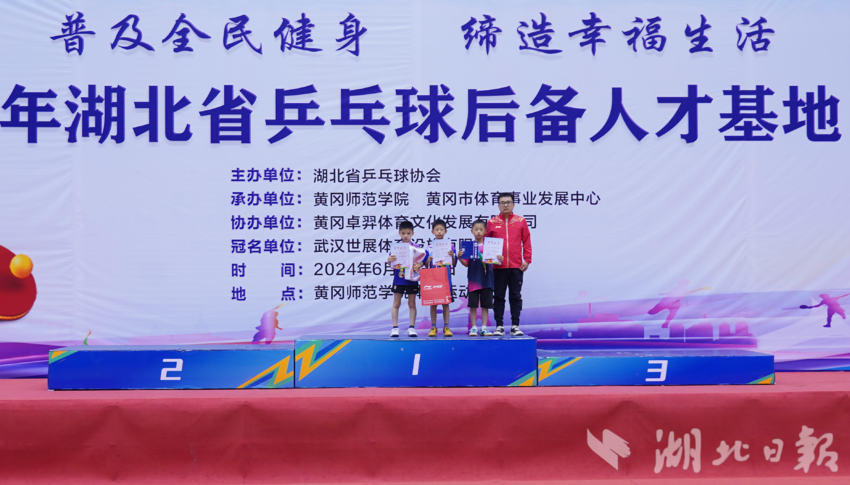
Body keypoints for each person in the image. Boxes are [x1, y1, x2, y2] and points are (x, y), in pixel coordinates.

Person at [486, 193, 532, 337]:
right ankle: (499, 326)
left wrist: (527, 260)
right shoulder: (492, 222)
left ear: (513, 204)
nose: (505, 205)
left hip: (516, 266)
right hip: (498, 267)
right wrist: (492, 259)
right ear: (498, 205)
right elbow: (488, 244)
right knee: (499, 296)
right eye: (502, 202)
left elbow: (526, 241)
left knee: (515, 296)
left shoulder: (521, 221)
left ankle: (515, 326)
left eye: (508, 202)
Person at [460, 219, 503, 336]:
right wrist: (459, 258)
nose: (478, 232)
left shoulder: (490, 246)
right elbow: (466, 264)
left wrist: (500, 258)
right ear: (472, 231)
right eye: (476, 229)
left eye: (481, 229)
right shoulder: (469, 247)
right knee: (473, 305)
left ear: (485, 231)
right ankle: (473, 327)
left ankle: (484, 327)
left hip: (487, 280)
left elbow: (496, 261)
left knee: (485, 305)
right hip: (473, 280)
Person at [387, 221, 427, 337]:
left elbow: (423, 260)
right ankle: (395, 328)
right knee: (396, 303)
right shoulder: (395, 248)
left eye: (408, 233)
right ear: (399, 233)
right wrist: (389, 260)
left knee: (412, 304)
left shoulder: (416, 248)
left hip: (412, 279)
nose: (406, 236)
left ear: (412, 233)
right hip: (399, 279)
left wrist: (419, 265)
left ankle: (412, 327)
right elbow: (391, 263)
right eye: (403, 233)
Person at [425, 219, 456, 337]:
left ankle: (446, 327)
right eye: (437, 230)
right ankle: (433, 327)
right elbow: (426, 265)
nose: (439, 232)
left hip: (445, 278)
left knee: (445, 303)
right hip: (433, 279)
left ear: (445, 231)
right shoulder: (429, 247)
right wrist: (428, 260)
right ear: (432, 232)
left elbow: (454, 263)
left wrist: (452, 256)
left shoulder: (450, 246)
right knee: (433, 303)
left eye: (441, 229)